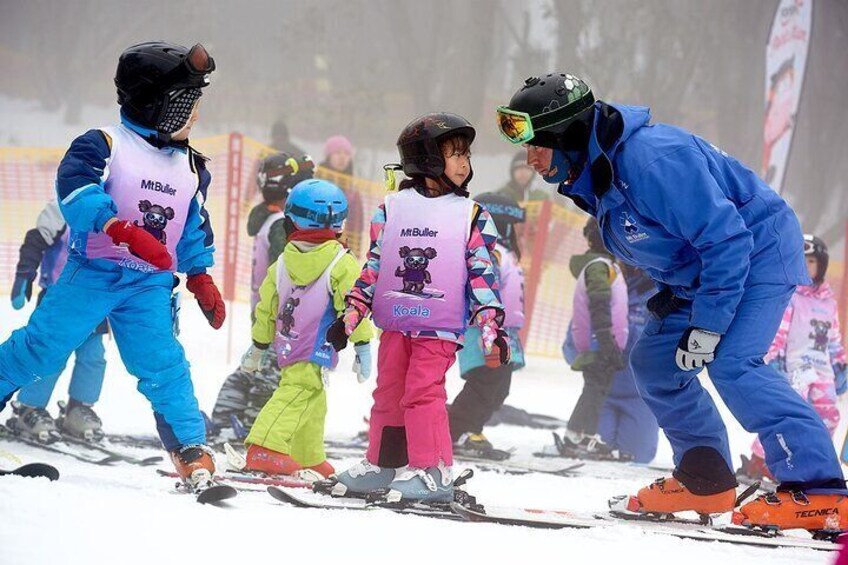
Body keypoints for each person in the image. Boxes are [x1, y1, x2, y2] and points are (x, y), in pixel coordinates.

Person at [497, 72, 847, 531]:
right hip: (703, 273)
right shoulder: (598, 175)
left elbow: (727, 241)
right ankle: (705, 479)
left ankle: (821, 492)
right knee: (657, 360)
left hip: (755, 254)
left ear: (570, 136)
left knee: (733, 363)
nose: (532, 160)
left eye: (538, 146)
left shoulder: (652, 162)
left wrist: (707, 325)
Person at [0, 41, 226, 492]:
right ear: (156, 105)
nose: (196, 116)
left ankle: (191, 452)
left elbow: (191, 225)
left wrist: (200, 275)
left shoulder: (191, 166)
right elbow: (76, 191)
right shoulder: (103, 144)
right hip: (94, 274)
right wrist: (120, 228)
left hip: (148, 287)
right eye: (188, 104)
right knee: (42, 349)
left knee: (164, 365)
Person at [327, 113, 510, 503]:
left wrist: (493, 328)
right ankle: (384, 463)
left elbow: (482, 275)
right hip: (396, 323)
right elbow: (375, 265)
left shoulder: (471, 215)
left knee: (423, 393)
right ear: (425, 158)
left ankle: (434, 471)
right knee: (389, 392)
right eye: (454, 154)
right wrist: (352, 313)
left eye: (466, 155)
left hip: (438, 326)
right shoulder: (393, 209)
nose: (464, 164)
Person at [239, 179, 373, 479]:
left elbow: (267, 307)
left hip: (289, 342)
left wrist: (259, 345)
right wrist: (363, 345)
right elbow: (355, 305)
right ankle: (264, 446)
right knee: (297, 392)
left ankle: (306, 456)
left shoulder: (283, 262)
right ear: (339, 223)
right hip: (317, 343)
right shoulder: (343, 262)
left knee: (313, 400)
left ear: (292, 219)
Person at [207, 152, 315, 438]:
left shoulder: (267, 216)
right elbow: (289, 270)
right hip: (280, 312)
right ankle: (256, 426)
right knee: (271, 371)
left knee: (255, 362)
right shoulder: (282, 224)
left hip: (263, 309)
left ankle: (226, 413)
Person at [737, 234, 847, 482]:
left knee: (828, 417)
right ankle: (760, 461)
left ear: (821, 266)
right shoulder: (790, 296)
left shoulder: (828, 303)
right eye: (801, 261)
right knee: (787, 415)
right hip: (793, 368)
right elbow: (777, 331)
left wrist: (841, 364)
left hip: (822, 371)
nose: (806, 267)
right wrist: (772, 359)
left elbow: (833, 339)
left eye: (811, 262)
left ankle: (811, 462)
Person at [7, 199, 107, 442]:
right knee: (50, 356)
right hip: (59, 297)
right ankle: (29, 407)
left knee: (93, 357)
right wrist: (24, 274)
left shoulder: (119, 205)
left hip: (98, 298)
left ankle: (78, 408)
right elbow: (36, 240)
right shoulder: (66, 204)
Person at [449, 191, 526, 457]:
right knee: (484, 385)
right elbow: (482, 291)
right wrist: (489, 335)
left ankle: (462, 428)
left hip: (501, 332)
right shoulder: (490, 253)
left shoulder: (504, 253)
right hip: (485, 332)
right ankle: (456, 430)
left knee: (497, 388)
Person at [560, 217, 628, 459]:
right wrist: (607, 340)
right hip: (599, 341)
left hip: (604, 340)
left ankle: (587, 435)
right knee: (594, 388)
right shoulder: (598, 266)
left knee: (599, 389)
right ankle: (574, 435)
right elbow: (599, 304)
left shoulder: (606, 265)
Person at [597, 264, 660, 464]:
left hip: (642, 395)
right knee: (593, 457)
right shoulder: (605, 280)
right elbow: (581, 326)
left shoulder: (663, 292)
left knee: (636, 459)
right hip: (602, 390)